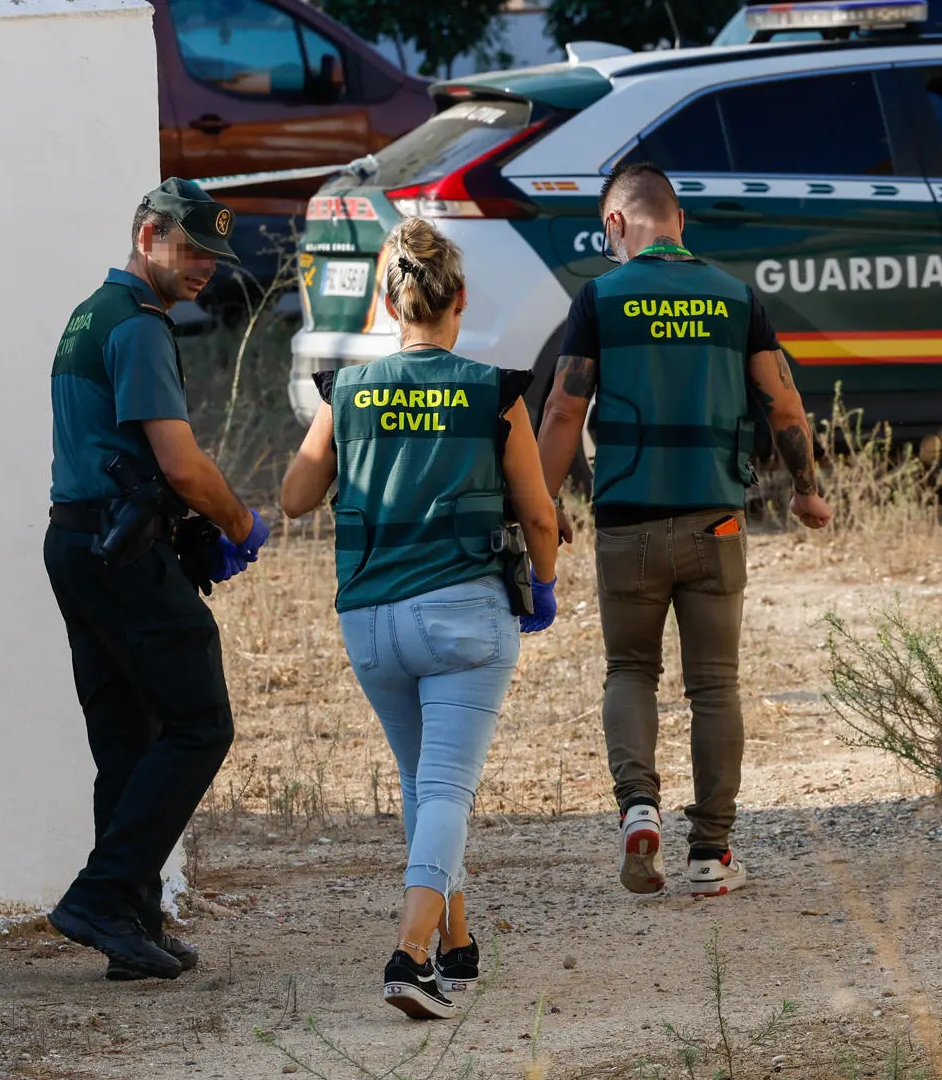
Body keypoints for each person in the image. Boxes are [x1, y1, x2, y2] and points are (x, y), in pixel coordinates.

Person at [281, 218, 560, 1020]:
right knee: (446, 790)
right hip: (464, 618)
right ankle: (408, 958)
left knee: (423, 786)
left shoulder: (348, 391)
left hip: (371, 621)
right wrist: (542, 584)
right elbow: (539, 516)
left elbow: (298, 497)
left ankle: (457, 943)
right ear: (459, 299)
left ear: (385, 299)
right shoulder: (492, 391)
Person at [536, 160, 833, 900]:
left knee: (630, 670)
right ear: (678, 224)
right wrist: (808, 491)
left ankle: (640, 808)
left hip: (627, 526)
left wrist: (541, 506)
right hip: (716, 521)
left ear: (616, 225)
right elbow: (785, 407)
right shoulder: (736, 298)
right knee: (714, 686)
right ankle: (711, 854)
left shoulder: (600, 298)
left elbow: (564, 411)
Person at [44, 178, 272, 981]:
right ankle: (103, 897)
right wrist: (241, 523)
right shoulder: (138, 327)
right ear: (148, 235)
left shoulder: (86, 317)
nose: (205, 266)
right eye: (191, 249)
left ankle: (129, 924)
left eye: (214, 255)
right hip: (125, 553)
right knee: (200, 724)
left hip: (76, 545)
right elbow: (179, 463)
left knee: (128, 743)